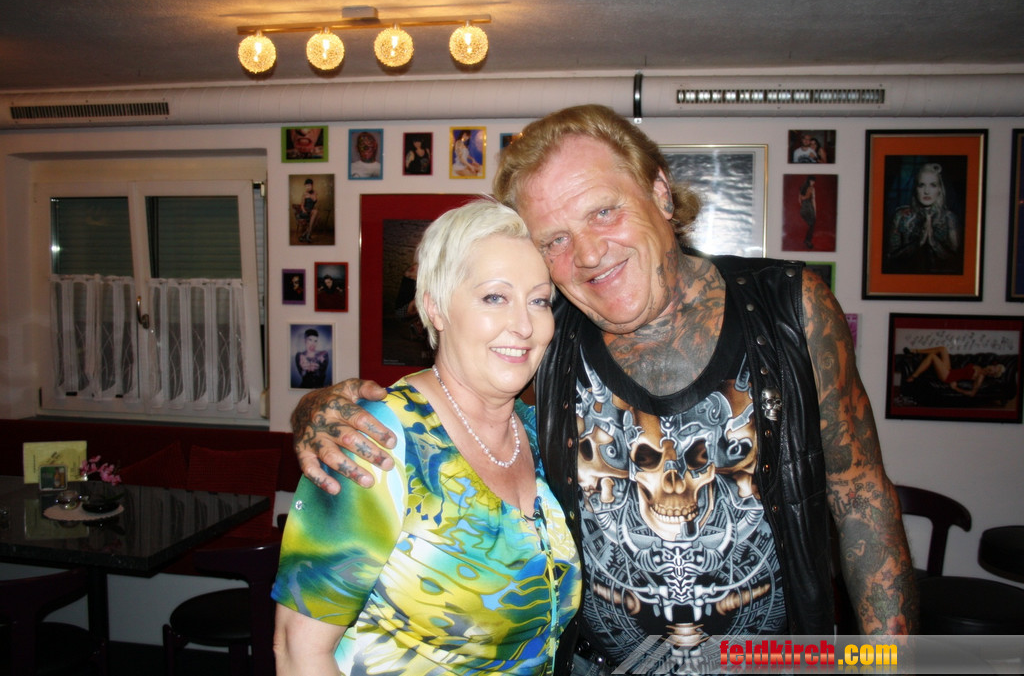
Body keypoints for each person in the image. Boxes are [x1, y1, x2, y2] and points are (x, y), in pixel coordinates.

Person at [291, 105, 917, 674]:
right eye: (555, 240)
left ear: (660, 194)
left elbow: (860, 494)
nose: (588, 254)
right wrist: (319, 410)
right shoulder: (546, 336)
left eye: (602, 211)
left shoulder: (789, 309)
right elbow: (457, 397)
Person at [273, 199, 581, 675]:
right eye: (494, 297)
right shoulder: (375, 439)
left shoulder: (541, 434)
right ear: (435, 306)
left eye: (538, 301)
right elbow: (299, 652)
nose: (524, 325)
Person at [885, 162, 961, 274]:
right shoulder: (901, 216)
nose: (926, 191)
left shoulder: (950, 219)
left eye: (933, 185)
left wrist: (933, 243)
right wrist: (918, 243)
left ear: (940, 189)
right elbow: (890, 258)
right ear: (915, 188)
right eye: (921, 185)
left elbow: (957, 262)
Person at [903, 345, 1006, 396]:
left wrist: (956, 388)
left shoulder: (980, 377)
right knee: (943, 349)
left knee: (932, 356)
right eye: (994, 367)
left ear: (992, 374)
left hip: (947, 377)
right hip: (950, 371)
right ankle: (915, 351)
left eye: (994, 371)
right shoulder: (979, 367)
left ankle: (914, 376)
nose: (992, 370)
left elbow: (972, 393)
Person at [292, 178, 318, 243]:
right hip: (305, 211)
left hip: (311, 211)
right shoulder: (304, 194)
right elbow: (302, 205)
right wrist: (303, 210)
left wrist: (309, 195)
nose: (307, 187)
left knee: (317, 217)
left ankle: (304, 235)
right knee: (316, 212)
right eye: (306, 186)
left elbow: (314, 200)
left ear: (312, 185)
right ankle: (308, 234)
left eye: (309, 185)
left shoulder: (315, 193)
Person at [798, 175, 817, 249]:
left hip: (803, 208)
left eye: (814, 181)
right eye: (812, 181)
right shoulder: (811, 189)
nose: (813, 182)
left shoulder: (802, 188)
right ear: (809, 181)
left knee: (810, 225)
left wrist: (803, 205)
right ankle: (807, 241)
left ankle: (807, 240)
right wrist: (815, 210)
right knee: (812, 224)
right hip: (809, 208)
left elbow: (799, 200)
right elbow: (813, 200)